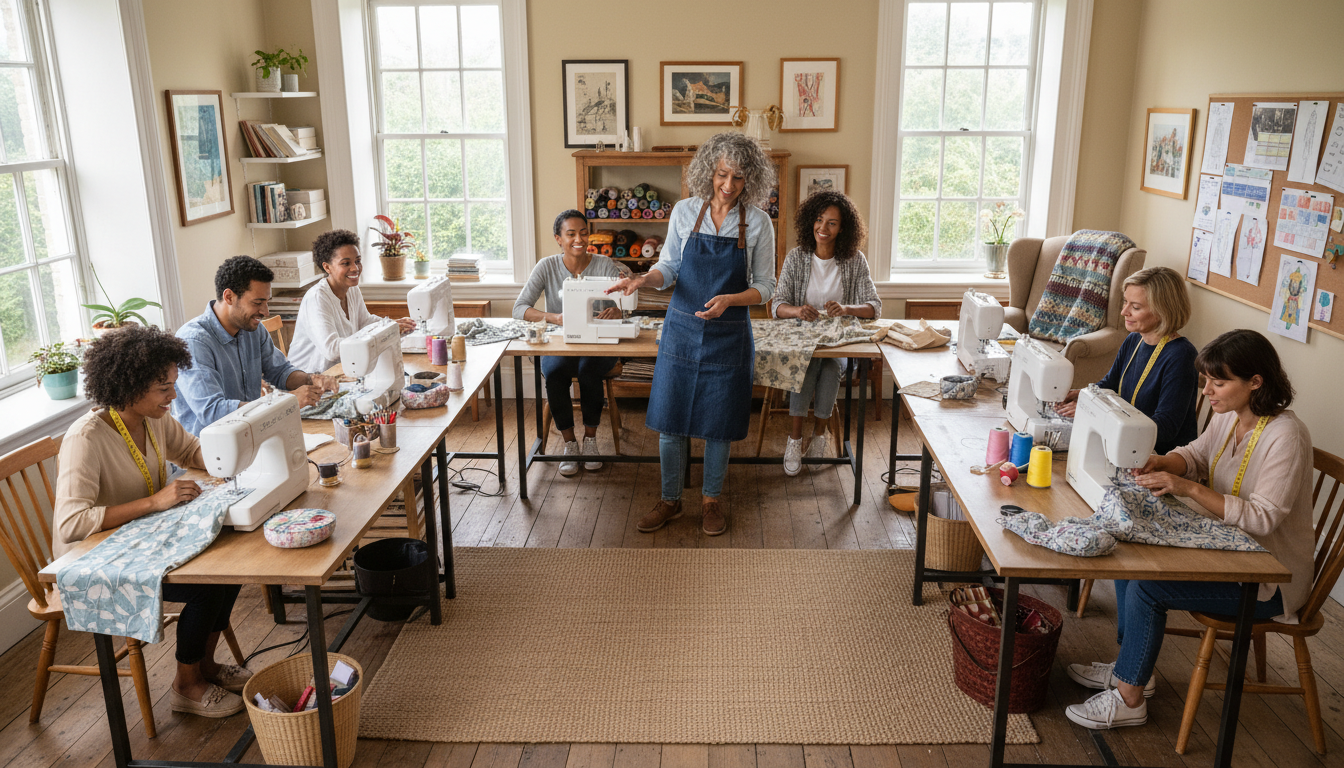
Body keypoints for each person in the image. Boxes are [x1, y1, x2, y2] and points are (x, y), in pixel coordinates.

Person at [1063, 329, 1314, 730]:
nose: (1209, 392)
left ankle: (1129, 698)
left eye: (1219, 382)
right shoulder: (1229, 415)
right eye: (1207, 382)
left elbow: (1263, 518)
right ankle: (1132, 671)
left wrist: (1187, 487)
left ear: (1255, 382)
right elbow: (1195, 455)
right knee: (1129, 550)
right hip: (1225, 547)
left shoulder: (1286, 436)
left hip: (1269, 578)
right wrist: (1162, 462)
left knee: (1148, 587)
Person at [54, 326, 251, 717]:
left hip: (143, 540)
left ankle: (206, 666)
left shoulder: (154, 419)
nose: (173, 396)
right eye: (164, 388)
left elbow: (193, 450)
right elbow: (71, 524)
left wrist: (233, 462)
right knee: (205, 587)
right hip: (98, 561)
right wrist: (154, 502)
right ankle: (186, 684)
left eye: (173, 384)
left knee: (230, 565)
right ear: (129, 387)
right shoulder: (86, 438)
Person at [607, 132, 777, 536]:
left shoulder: (757, 222)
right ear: (709, 172)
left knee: (717, 424)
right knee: (671, 421)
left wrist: (731, 300)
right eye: (722, 175)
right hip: (682, 330)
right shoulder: (685, 211)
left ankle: (711, 501)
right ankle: (670, 501)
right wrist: (642, 280)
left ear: (749, 179)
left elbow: (767, 287)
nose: (728, 186)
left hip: (730, 333)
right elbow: (668, 268)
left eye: (738, 178)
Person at [771, 190, 881, 476]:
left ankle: (819, 437)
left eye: (832, 223)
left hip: (839, 342)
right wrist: (797, 311)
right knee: (808, 366)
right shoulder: (797, 258)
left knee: (830, 367)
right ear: (811, 221)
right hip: (802, 341)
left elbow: (874, 307)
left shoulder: (854, 260)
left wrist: (846, 308)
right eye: (819, 220)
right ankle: (795, 439)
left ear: (843, 228)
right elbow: (777, 305)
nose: (823, 227)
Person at [513, 210, 624, 476]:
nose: (579, 239)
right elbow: (520, 309)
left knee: (589, 371)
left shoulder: (604, 265)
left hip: (597, 342)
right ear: (558, 239)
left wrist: (618, 311)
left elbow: (623, 303)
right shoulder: (547, 266)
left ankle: (590, 441)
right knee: (554, 372)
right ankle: (570, 444)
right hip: (560, 341)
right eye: (571, 234)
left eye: (584, 233)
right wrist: (554, 317)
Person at [174, 256, 337, 435]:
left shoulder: (254, 330)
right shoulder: (193, 342)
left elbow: (280, 371)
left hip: (250, 435)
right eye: (257, 303)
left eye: (267, 302)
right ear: (229, 296)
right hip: (207, 454)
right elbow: (212, 411)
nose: (265, 312)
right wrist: (284, 403)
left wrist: (311, 379)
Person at [1055, 267, 1199, 455]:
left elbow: (1165, 429)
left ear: (1163, 310)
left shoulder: (1181, 356)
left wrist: (1096, 414)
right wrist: (1080, 395)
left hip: (1158, 457)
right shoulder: (1135, 339)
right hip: (1124, 441)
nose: (1124, 312)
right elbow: (1110, 384)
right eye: (1125, 302)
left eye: (1136, 307)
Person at [288, 229, 416, 373]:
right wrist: (380, 333)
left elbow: (365, 321)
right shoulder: (317, 298)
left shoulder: (351, 288)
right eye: (346, 263)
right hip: (309, 379)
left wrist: (391, 325)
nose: (355, 268)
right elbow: (332, 350)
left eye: (358, 261)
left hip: (341, 372)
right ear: (327, 267)